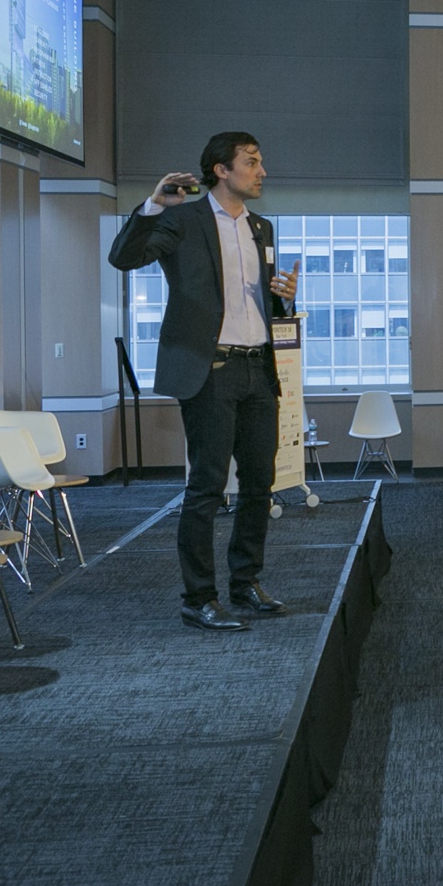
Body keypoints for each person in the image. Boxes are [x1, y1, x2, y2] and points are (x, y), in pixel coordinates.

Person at [107, 132, 300, 631]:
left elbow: (261, 302)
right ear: (221, 169)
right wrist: (152, 204)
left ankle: (245, 583)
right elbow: (124, 258)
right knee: (208, 488)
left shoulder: (262, 227)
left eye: (261, 162)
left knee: (260, 484)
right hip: (209, 369)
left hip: (258, 368)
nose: (261, 171)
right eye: (252, 162)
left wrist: (286, 299)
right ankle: (198, 597)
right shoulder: (181, 219)